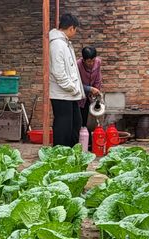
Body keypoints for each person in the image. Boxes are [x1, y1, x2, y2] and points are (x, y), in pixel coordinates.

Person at [48, 14, 84, 148]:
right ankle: (60, 154)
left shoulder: (64, 43)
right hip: (61, 94)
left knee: (75, 123)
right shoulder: (57, 44)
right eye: (75, 29)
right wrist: (72, 88)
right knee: (63, 128)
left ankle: (71, 152)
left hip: (69, 94)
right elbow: (59, 72)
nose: (75, 32)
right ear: (71, 28)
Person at [78, 46, 103, 131]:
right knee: (79, 121)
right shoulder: (78, 65)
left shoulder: (98, 62)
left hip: (89, 96)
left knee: (85, 120)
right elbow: (76, 83)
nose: (92, 63)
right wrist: (89, 89)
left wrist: (96, 90)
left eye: (93, 60)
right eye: (89, 61)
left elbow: (98, 78)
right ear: (83, 60)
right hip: (78, 96)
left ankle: (85, 140)